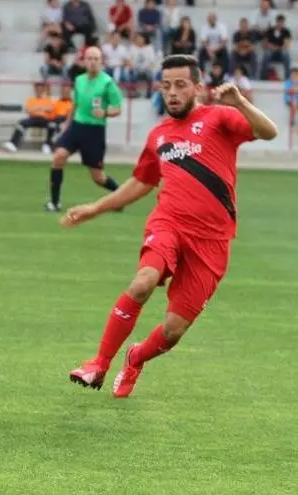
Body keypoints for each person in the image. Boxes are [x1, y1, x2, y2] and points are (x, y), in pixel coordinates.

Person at [62, 54, 277, 398]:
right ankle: (98, 364)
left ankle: (136, 357)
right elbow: (141, 182)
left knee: (174, 330)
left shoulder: (219, 117)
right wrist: (95, 208)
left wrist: (239, 102)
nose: (172, 93)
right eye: (166, 86)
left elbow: (269, 131)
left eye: (180, 85)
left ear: (198, 87)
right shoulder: (158, 136)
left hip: (212, 241)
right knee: (142, 283)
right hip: (168, 224)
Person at [46, 46, 122, 212]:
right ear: (84, 61)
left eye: (96, 59)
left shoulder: (107, 83)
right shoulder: (79, 80)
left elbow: (118, 109)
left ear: (101, 62)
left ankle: (120, 196)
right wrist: (67, 125)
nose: (93, 62)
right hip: (77, 127)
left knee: (98, 177)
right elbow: (75, 106)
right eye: (89, 58)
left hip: (95, 131)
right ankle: (54, 203)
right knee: (59, 157)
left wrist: (105, 112)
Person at [3, 83, 57, 155]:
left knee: (53, 125)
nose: (39, 91)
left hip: (44, 119)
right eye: (37, 89)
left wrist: (36, 108)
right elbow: (28, 110)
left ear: (43, 90)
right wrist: (41, 108)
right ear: (35, 90)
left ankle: (47, 145)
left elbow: (50, 109)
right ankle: (13, 144)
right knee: (21, 123)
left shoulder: (48, 99)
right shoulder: (30, 100)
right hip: (33, 118)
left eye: (40, 89)